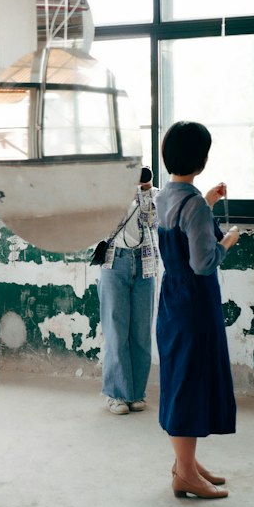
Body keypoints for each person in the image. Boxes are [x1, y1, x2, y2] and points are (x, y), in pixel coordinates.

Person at [155, 122, 241, 499]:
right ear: (202, 160)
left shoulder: (164, 197)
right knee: (191, 381)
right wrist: (228, 241)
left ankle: (185, 464)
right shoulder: (195, 208)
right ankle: (186, 473)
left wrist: (206, 202)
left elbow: (182, 223)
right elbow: (204, 262)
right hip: (196, 301)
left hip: (172, 297)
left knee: (180, 376)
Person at [98, 166, 157, 416]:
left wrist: (144, 191)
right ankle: (116, 394)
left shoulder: (154, 194)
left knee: (141, 332)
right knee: (116, 331)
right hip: (115, 262)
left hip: (145, 264)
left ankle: (135, 394)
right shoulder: (106, 193)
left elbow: (153, 221)